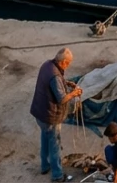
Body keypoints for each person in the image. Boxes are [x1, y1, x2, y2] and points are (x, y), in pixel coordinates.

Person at [30, 47, 81, 181]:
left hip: (39, 112)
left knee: (45, 138)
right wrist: (74, 93)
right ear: (64, 62)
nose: (69, 65)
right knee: (55, 145)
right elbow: (62, 98)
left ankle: (45, 166)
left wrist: (67, 83)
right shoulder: (55, 76)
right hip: (50, 116)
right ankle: (57, 175)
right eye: (68, 63)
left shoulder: (47, 65)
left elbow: (55, 82)